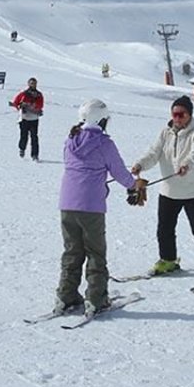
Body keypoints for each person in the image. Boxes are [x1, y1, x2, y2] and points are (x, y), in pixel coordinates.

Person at [53, 99, 142, 315]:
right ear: (101, 120)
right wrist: (133, 187)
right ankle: (96, 298)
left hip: (67, 203)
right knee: (95, 252)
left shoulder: (70, 139)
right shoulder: (104, 143)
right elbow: (119, 171)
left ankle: (66, 297)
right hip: (91, 206)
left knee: (72, 251)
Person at [131, 95, 194, 282]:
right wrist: (140, 164)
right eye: (175, 114)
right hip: (169, 190)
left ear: (189, 115)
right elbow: (154, 153)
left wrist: (187, 165)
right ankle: (168, 260)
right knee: (164, 229)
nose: (177, 118)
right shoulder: (165, 132)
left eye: (181, 114)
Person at [11, 77, 44, 160]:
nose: (33, 85)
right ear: (28, 84)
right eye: (31, 83)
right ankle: (22, 148)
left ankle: (35, 155)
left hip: (34, 119)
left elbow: (40, 105)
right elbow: (16, 102)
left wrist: (33, 106)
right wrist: (20, 107)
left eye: (34, 83)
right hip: (24, 118)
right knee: (24, 136)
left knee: (34, 137)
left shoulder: (39, 95)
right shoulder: (23, 94)